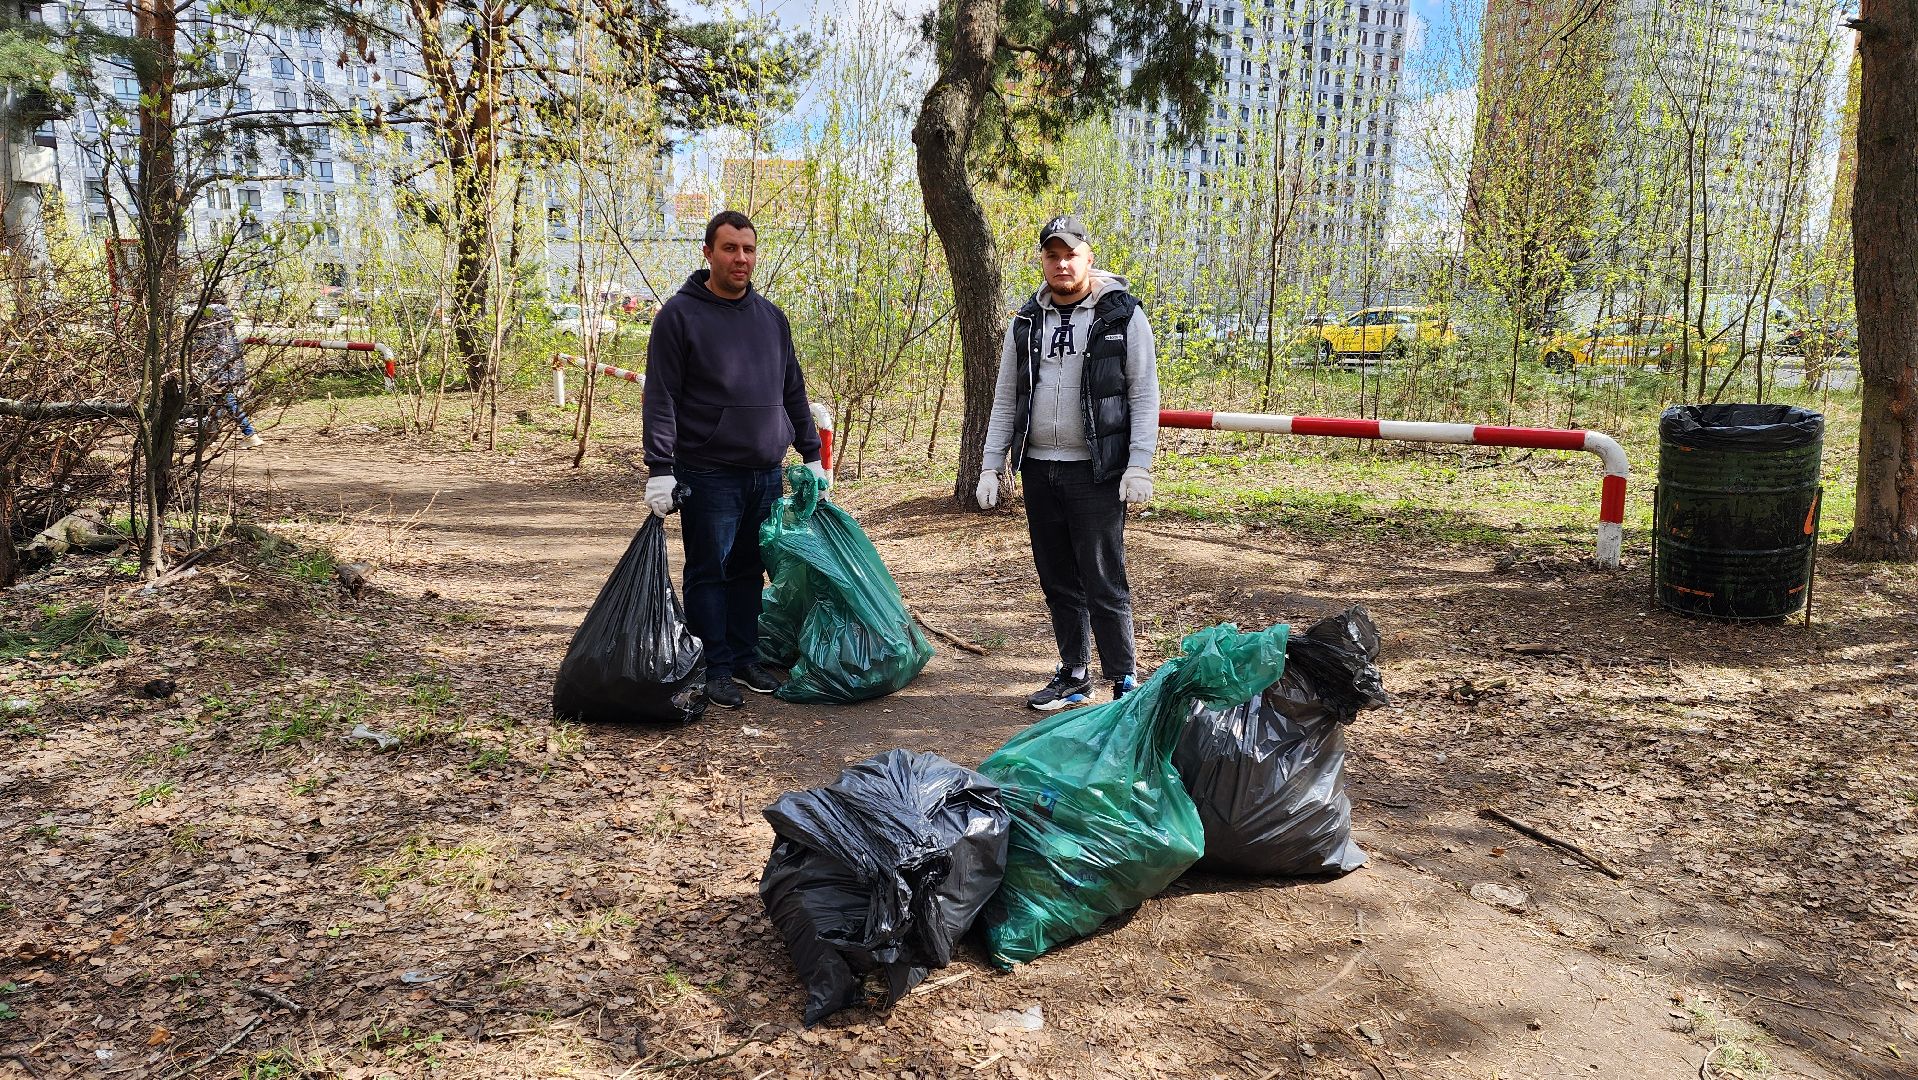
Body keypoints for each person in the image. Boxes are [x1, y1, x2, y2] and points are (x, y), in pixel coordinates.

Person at [642, 210, 827, 711]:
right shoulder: (679, 316)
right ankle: (715, 666)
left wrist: (812, 454)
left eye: (748, 249)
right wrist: (660, 468)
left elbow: (792, 390)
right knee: (710, 570)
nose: (740, 258)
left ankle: (744, 657)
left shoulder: (771, 318)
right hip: (708, 471)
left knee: (749, 569)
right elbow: (661, 397)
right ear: (708, 253)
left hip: (764, 472)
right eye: (729, 248)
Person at [976, 214, 1160, 711]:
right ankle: (1075, 674)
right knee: (1057, 580)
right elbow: (1006, 397)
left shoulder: (1121, 317)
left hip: (1096, 471)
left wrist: (1139, 464)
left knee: (1103, 579)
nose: (1061, 264)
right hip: (1039, 468)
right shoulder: (1025, 321)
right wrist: (992, 464)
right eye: (1052, 255)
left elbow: (1144, 395)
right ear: (1042, 260)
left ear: (1088, 258)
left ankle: (1123, 681)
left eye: (1070, 255)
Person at [191, 299, 262, 448]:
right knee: (218, 401)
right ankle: (208, 434)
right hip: (233, 367)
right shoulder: (225, 316)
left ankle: (250, 433)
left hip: (219, 369)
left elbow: (203, 345)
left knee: (228, 401)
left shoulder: (209, 315)